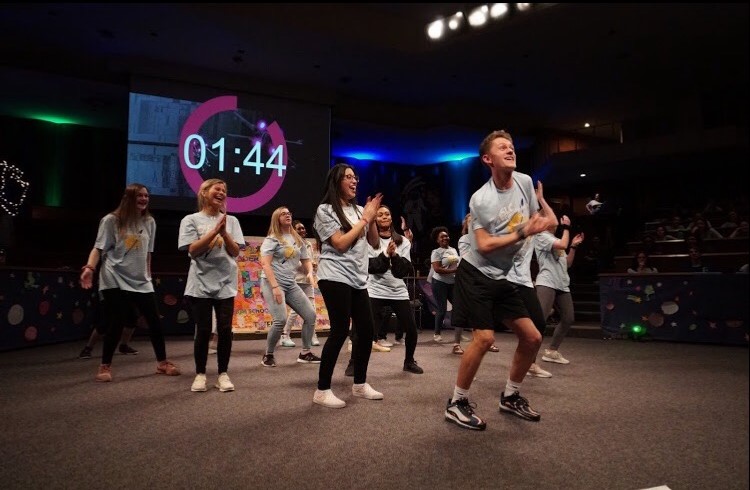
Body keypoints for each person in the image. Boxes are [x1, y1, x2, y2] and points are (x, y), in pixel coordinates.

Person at [444, 129, 555, 430]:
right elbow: (484, 245)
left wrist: (543, 223)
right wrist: (523, 233)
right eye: (502, 147)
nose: (510, 150)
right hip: (476, 273)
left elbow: (535, 223)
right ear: (487, 159)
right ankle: (456, 402)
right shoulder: (481, 199)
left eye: (512, 146)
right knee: (485, 338)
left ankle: (510, 396)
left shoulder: (525, 182)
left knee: (532, 337)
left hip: (503, 275)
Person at [80, 183, 180, 382]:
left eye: (146, 196)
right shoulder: (111, 220)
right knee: (116, 321)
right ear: (128, 198)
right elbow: (98, 248)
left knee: (154, 321)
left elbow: (148, 254)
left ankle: (162, 363)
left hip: (140, 280)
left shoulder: (149, 222)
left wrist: (148, 276)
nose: (144, 199)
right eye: (139, 196)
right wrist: (89, 268)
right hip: (114, 277)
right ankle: (104, 366)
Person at [311, 163, 384, 408]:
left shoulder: (359, 210)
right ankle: (322, 390)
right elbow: (340, 244)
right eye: (348, 177)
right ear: (336, 182)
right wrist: (365, 219)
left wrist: (371, 219)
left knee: (366, 330)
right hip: (333, 276)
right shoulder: (325, 210)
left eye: (356, 177)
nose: (355, 181)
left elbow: (374, 243)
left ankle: (360, 384)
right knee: (340, 330)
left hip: (357, 278)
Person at [178, 178, 245, 393]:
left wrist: (224, 232)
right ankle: (200, 374)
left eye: (225, 190)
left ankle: (223, 374)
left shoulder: (232, 221)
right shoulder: (191, 220)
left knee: (225, 330)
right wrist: (214, 231)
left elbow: (235, 252)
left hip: (225, 282)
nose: (222, 193)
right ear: (204, 192)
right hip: (200, 283)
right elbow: (193, 250)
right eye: (217, 189)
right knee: (204, 329)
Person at [354, 205, 423, 374]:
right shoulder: (369, 240)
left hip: (398, 291)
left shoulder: (403, 241)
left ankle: (409, 361)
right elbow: (371, 268)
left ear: (391, 218)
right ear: (375, 219)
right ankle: (353, 362)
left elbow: (402, 271)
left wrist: (395, 256)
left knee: (411, 329)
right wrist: (386, 255)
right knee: (361, 328)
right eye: (380, 215)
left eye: (387, 214)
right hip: (374, 290)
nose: (384, 217)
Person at [505, 180, 559, 379]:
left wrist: (541, 199)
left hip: (525, 281)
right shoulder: (513, 220)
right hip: (505, 279)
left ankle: (529, 363)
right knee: (485, 330)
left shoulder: (535, 227)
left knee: (539, 323)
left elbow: (553, 223)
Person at [259, 207, 320, 367]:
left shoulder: (297, 239)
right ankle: (268, 354)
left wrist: (309, 273)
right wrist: (275, 287)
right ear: (276, 218)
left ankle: (305, 352)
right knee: (280, 320)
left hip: (290, 283)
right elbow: (265, 264)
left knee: (310, 315)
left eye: (289, 213)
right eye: (283, 213)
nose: (288, 215)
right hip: (272, 282)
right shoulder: (272, 239)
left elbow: (306, 259)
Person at [535, 216, 585, 365]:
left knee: (568, 318)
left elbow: (567, 263)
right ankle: (529, 360)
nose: (555, 223)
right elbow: (563, 244)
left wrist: (574, 246)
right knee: (540, 321)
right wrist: (567, 228)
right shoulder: (541, 237)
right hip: (547, 282)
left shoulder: (555, 239)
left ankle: (552, 351)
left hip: (562, 283)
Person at [452, 213, 498, 355]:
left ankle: (487, 340)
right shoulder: (464, 239)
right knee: (462, 310)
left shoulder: (486, 238)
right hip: (467, 276)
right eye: (470, 221)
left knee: (486, 308)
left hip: (484, 275)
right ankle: (456, 343)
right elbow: (468, 257)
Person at [280, 220, 321, 348]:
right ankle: (285, 335)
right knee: (295, 311)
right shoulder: (290, 244)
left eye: (303, 228)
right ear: (293, 230)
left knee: (312, 310)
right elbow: (289, 262)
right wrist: (303, 266)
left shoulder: (308, 244)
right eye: (299, 229)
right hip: (296, 280)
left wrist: (313, 266)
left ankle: (312, 335)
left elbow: (309, 260)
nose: (302, 230)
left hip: (307, 281)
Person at [78, 291, 138, 359]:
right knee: (106, 323)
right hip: (108, 292)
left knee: (132, 318)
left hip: (125, 292)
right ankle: (87, 349)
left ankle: (124, 346)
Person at [430, 225, 459, 342]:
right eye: (441, 237)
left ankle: (459, 332)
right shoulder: (436, 252)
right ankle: (437, 333)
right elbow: (437, 269)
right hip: (439, 283)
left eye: (446, 236)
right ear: (437, 240)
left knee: (458, 307)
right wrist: (453, 271)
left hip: (452, 283)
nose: (445, 238)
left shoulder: (453, 250)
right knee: (442, 309)